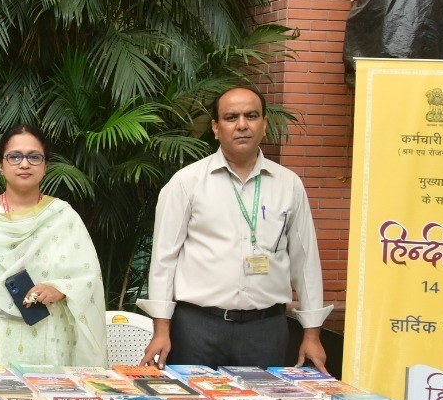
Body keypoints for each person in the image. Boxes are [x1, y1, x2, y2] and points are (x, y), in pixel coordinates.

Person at [138, 84, 331, 370]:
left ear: (264, 124)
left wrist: (312, 334)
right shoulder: (187, 182)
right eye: (231, 117)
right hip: (197, 328)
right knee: (194, 399)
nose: (242, 125)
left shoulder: (288, 184)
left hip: (265, 330)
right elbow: (164, 259)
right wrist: (161, 330)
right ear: (216, 128)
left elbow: (306, 261)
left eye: (251, 116)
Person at [0, 126, 107, 365]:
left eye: (34, 157)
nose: (24, 164)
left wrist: (59, 289)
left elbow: (88, 279)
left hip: (52, 344)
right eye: (14, 156)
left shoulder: (63, 218)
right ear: (1, 166)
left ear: (45, 166)